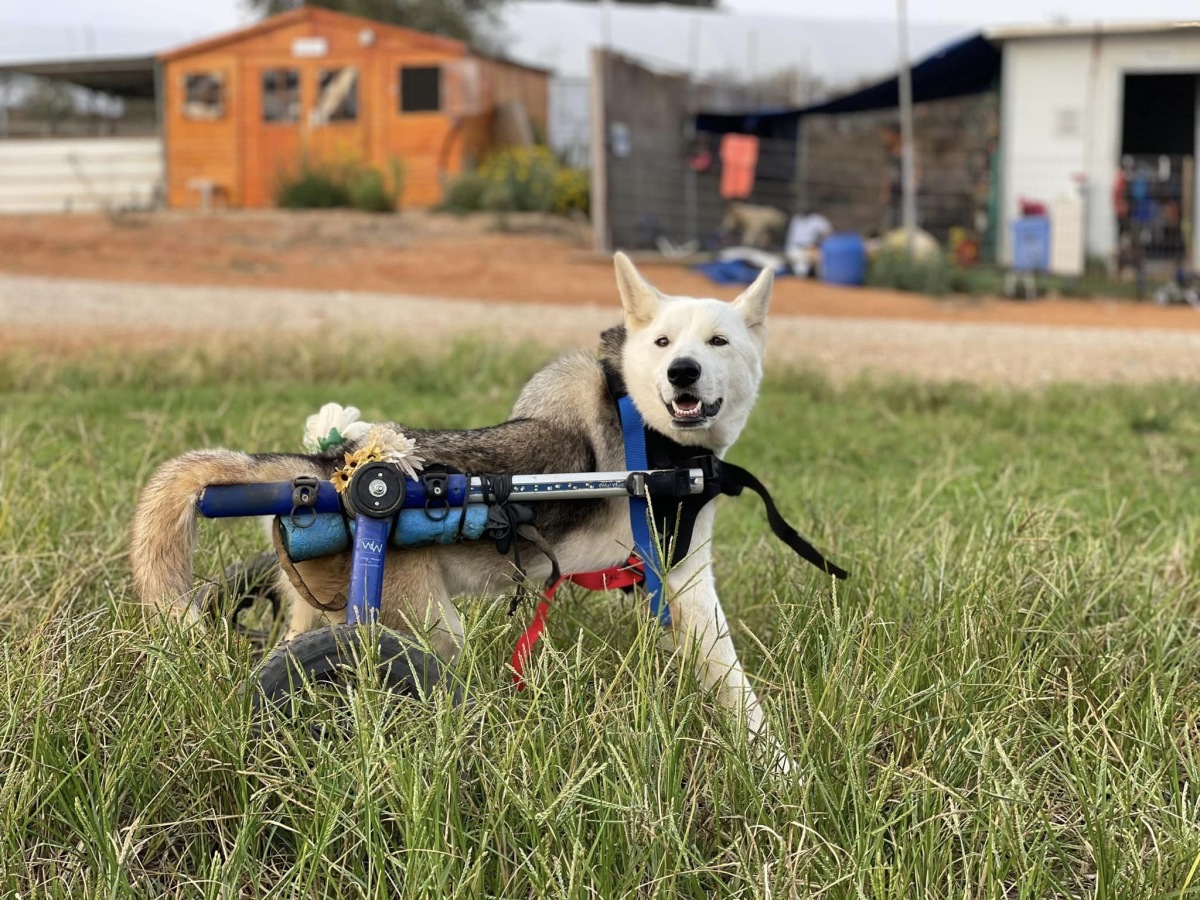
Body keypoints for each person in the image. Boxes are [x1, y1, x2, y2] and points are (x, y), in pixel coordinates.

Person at [784, 210, 833, 276]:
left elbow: (829, 235)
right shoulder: (795, 218)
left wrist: (818, 245)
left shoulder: (818, 219)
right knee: (800, 270)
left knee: (822, 261)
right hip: (794, 248)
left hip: (809, 248)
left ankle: (821, 281)